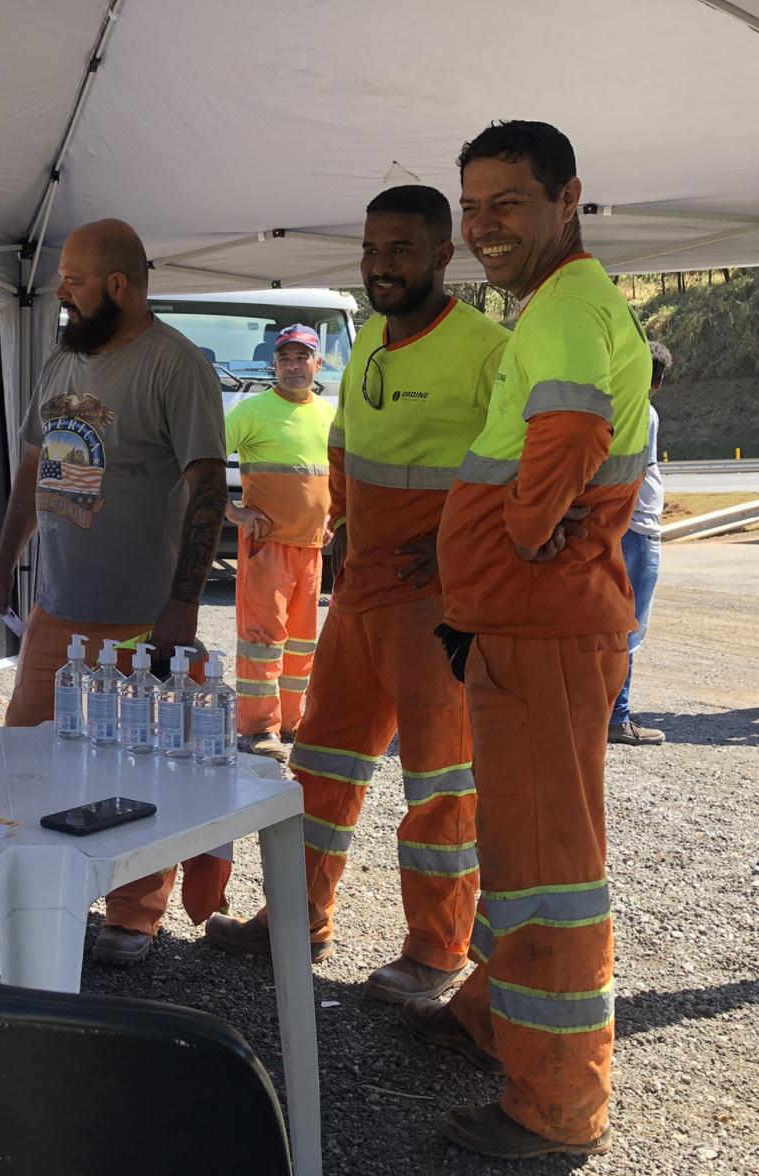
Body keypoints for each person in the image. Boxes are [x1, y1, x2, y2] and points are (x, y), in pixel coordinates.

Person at [206, 186, 508, 1005]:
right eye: (372, 248)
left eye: (401, 248)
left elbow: (518, 480)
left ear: (444, 255)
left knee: (439, 784)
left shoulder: (487, 350)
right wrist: (343, 535)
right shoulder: (370, 338)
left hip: (434, 607)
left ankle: (437, 949)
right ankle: (295, 918)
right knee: (319, 768)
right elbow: (345, 451)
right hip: (362, 591)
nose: (381, 264)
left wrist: (451, 564)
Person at [414, 120, 650, 1159]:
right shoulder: (565, 306)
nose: (482, 227)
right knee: (522, 851)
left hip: (541, 626)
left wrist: (516, 531)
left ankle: (554, 1107)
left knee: (549, 866)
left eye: (505, 202)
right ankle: (491, 1017)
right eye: (470, 208)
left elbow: (564, 433)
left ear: (567, 199)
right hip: (524, 625)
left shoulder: (560, 313)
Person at [0, 218, 229, 967]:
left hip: (139, 619)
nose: (61, 294)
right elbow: (37, 470)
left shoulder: (175, 365)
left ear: (118, 286)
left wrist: (184, 603)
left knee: (134, 770)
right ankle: (24, 890)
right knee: (25, 760)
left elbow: (208, 484)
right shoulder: (62, 360)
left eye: (75, 282)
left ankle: (135, 913)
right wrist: (4, 563)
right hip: (60, 612)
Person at [224, 324, 335, 762]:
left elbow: (336, 474)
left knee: (302, 641)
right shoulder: (252, 411)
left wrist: (333, 517)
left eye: (301, 357)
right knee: (262, 638)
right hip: (266, 547)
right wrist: (232, 511)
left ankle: (292, 723)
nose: (293, 366)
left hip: (311, 549)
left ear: (317, 363)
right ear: (275, 365)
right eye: (285, 358)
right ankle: (258, 729)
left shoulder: (328, 414)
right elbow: (203, 456)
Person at [610, 341, 673, 746]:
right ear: (658, 382)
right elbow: (632, 475)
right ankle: (617, 717)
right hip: (635, 529)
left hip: (619, 526)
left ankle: (596, 712)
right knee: (628, 627)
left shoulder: (605, 406)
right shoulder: (642, 412)